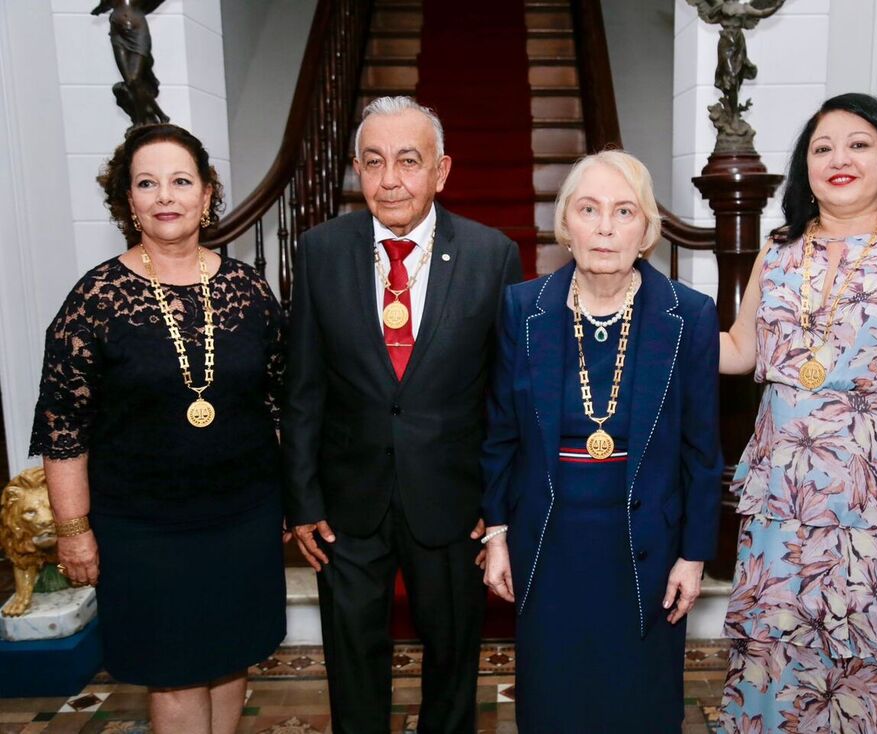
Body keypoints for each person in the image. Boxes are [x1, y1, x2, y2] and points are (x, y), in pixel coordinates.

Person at [717, 93, 877, 733]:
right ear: (804, 167)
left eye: (859, 144)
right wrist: (641, 307)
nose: (839, 158)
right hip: (784, 501)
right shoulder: (777, 251)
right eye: (822, 147)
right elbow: (737, 349)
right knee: (776, 659)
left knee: (869, 664)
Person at [30, 123, 286, 734]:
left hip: (244, 515)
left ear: (206, 193)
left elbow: (279, 401)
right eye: (147, 183)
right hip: (144, 528)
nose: (165, 196)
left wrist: (289, 498)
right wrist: (73, 530)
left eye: (180, 181)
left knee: (231, 659)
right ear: (128, 200)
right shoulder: (96, 298)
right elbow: (64, 426)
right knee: (174, 671)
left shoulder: (247, 289)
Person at [282, 96, 522, 734]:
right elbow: (303, 387)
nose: (390, 179)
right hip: (347, 502)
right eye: (374, 161)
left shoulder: (491, 254)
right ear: (357, 170)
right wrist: (302, 500)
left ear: (441, 171)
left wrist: (497, 506)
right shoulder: (319, 251)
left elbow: (504, 393)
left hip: (451, 497)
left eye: (408, 161)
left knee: (453, 657)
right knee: (352, 658)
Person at [481, 150, 724, 732]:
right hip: (549, 541)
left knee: (637, 703)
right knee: (554, 701)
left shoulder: (688, 315)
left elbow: (702, 450)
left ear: (647, 230)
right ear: (566, 224)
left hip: (646, 545)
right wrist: (495, 533)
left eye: (624, 211)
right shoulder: (523, 308)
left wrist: (693, 556)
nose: (606, 226)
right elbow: (500, 433)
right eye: (588, 209)